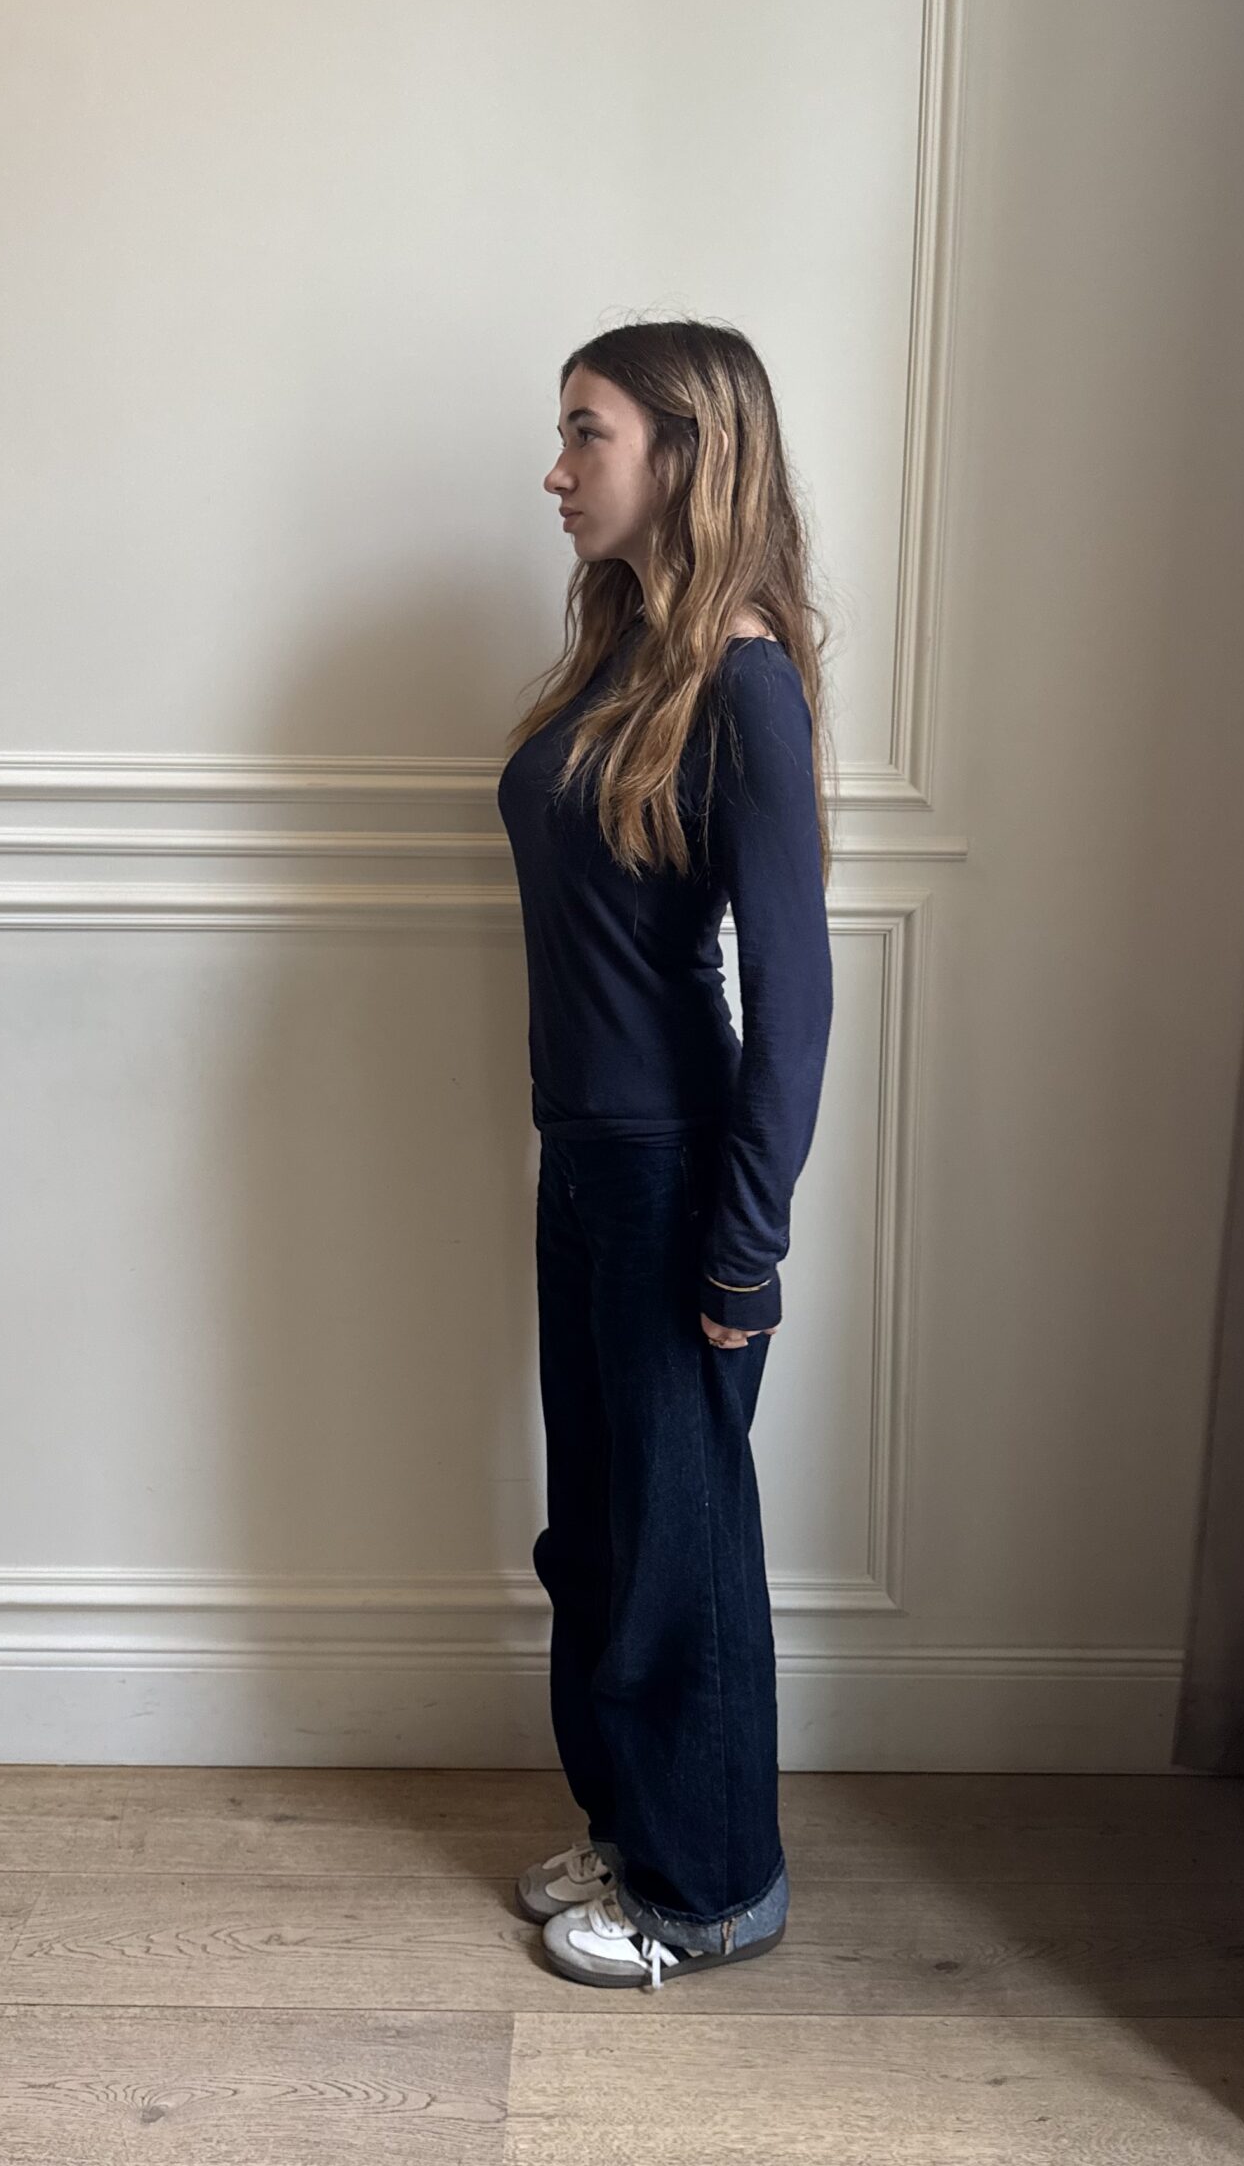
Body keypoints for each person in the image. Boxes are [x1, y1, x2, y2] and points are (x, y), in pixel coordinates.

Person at [496, 319, 834, 1990]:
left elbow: (796, 990)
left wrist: (744, 1245)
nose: (558, 471)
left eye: (589, 433)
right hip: (585, 1158)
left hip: (674, 1175)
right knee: (600, 1539)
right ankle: (634, 1825)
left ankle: (714, 1890)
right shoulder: (629, 654)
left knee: (679, 1559)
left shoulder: (743, 680)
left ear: (686, 454)